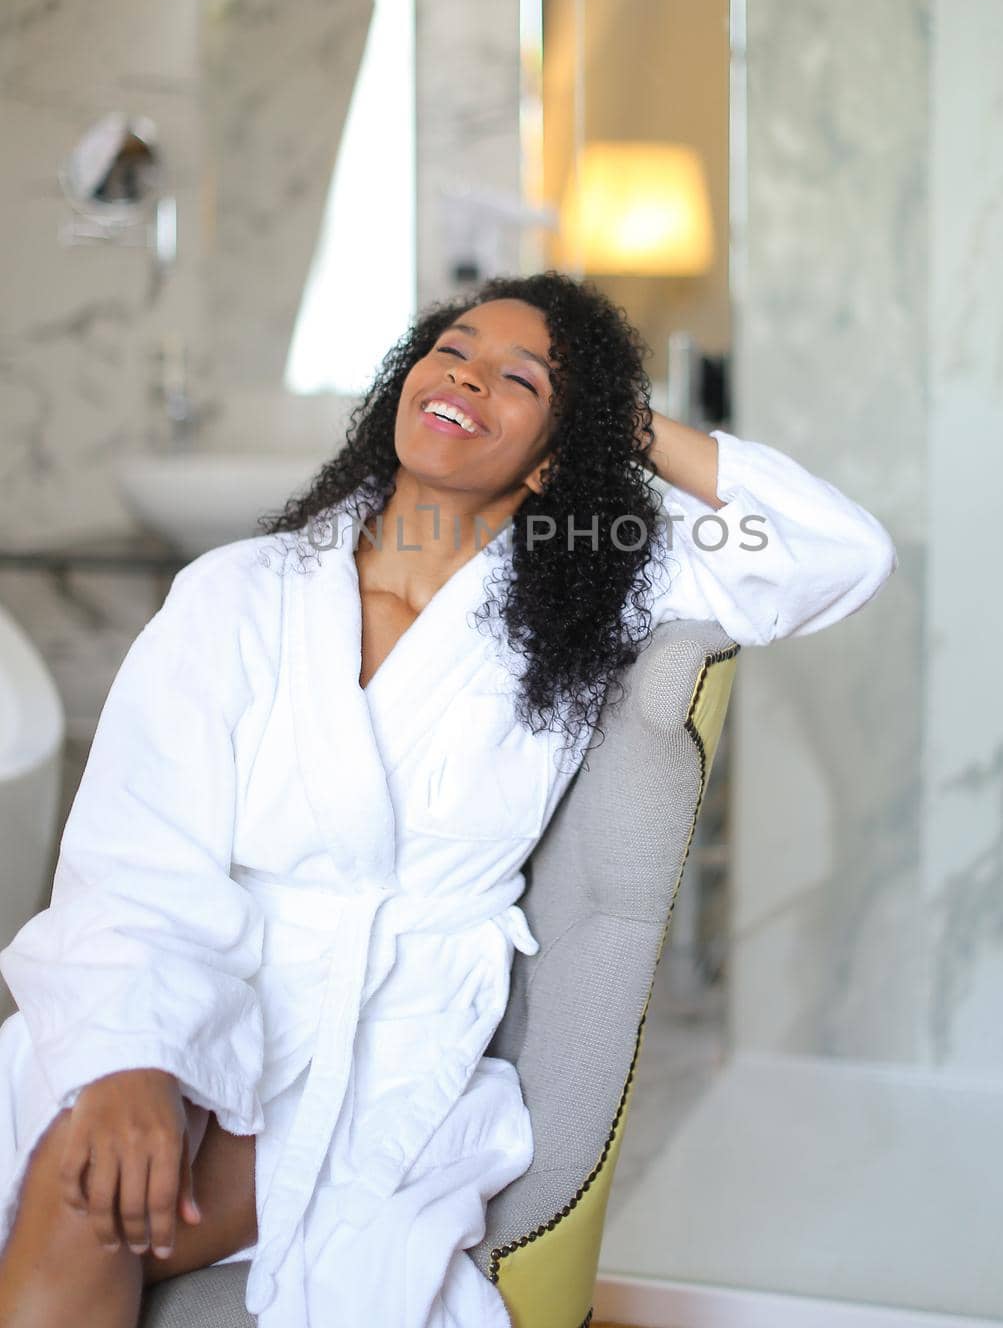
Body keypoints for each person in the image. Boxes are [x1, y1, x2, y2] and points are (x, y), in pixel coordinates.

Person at [0, 272, 896, 1327]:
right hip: (197, 988)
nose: (468, 375)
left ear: (555, 452)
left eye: (520, 378)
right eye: (452, 349)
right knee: (86, 1155)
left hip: (386, 1039)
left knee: (88, 1199)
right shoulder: (240, 591)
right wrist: (132, 1061)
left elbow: (835, 553)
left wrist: (622, 423)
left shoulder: (594, 592)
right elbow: (138, 857)